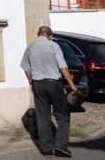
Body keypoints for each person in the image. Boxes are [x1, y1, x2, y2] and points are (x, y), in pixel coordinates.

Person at [20, 26, 78, 158]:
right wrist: (71, 84)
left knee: (42, 116)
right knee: (62, 114)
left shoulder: (30, 47)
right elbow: (63, 67)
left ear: (38, 34)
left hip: (38, 84)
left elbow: (26, 69)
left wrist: (31, 82)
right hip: (54, 84)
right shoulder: (54, 46)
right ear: (49, 35)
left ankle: (46, 149)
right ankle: (61, 146)